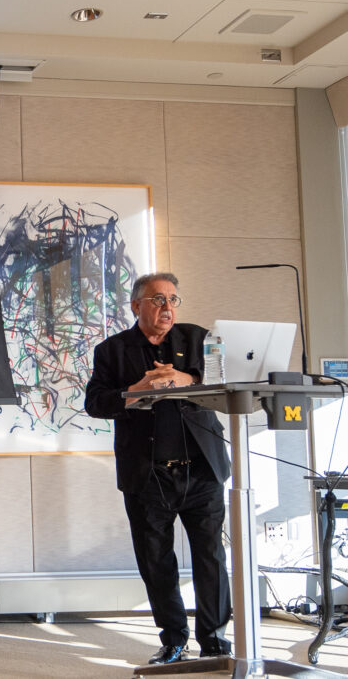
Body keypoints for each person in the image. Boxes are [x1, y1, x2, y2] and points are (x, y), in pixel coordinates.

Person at [84, 272, 233, 665]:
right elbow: (96, 403)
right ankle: (174, 639)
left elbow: (223, 384)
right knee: (156, 560)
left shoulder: (197, 339)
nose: (167, 308)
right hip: (147, 474)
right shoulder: (112, 351)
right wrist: (137, 392)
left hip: (201, 469)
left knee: (210, 557)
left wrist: (183, 379)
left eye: (172, 300)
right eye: (157, 300)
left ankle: (216, 640)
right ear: (136, 306)